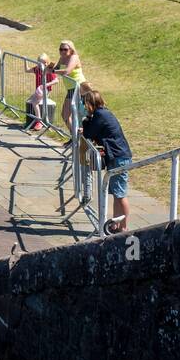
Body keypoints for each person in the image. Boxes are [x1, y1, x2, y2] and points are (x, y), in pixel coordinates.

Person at [81, 89, 132, 233]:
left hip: (119, 157)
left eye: (85, 104)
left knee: (121, 194)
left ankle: (124, 227)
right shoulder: (104, 112)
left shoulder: (99, 115)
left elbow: (88, 133)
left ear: (90, 103)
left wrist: (85, 120)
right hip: (117, 156)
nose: (84, 107)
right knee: (116, 194)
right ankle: (116, 225)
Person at [53, 40, 86, 130]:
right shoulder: (62, 58)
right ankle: (74, 137)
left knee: (76, 115)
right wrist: (48, 67)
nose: (63, 51)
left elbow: (67, 71)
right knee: (65, 115)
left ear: (71, 49)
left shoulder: (74, 57)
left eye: (65, 49)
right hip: (70, 89)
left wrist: (52, 71)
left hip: (78, 88)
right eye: (61, 49)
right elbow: (55, 68)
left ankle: (79, 139)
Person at [26, 53, 59, 131]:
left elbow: (56, 81)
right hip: (39, 91)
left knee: (34, 102)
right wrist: (25, 60)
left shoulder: (48, 70)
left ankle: (39, 121)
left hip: (45, 91)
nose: (40, 64)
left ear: (46, 63)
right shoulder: (37, 69)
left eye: (43, 62)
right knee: (29, 101)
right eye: (39, 62)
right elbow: (27, 70)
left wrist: (46, 85)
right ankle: (31, 121)